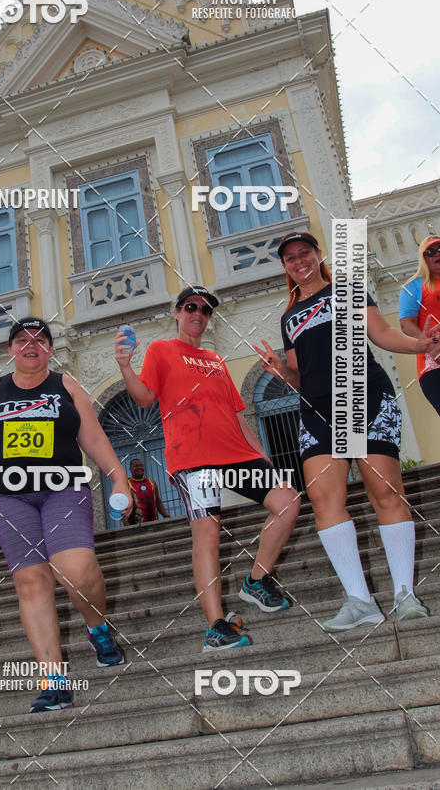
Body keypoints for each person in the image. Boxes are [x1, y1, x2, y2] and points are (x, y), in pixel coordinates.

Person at [0, 317, 131, 713]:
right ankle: (54, 681)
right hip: (8, 498)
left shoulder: (66, 386)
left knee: (75, 567)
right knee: (31, 582)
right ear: (10, 350)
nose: (31, 345)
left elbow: (92, 436)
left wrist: (119, 479)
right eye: (22, 340)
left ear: (50, 350)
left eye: (40, 339)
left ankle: (96, 627)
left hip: (63, 488)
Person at [255, 231, 439, 631]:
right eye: (290, 258)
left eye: (305, 252)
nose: (299, 260)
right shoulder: (290, 317)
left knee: (385, 493)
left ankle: (405, 593)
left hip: (362, 394)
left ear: (318, 255)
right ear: (285, 267)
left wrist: (420, 344)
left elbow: (384, 335)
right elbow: (299, 377)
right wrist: (280, 371)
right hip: (317, 408)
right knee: (324, 501)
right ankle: (359, 601)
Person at [115, 287, 300, 653]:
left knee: (289, 502)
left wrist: (265, 458)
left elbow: (236, 414)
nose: (198, 313)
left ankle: (256, 580)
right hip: (193, 458)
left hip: (237, 454)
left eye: (205, 309)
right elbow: (145, 398)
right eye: (191, 307)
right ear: (177, 311)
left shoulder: (214, 359)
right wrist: (125, 366)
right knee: (208, 536)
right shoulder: (161, 350)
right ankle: (216, 626)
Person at [399, 236, 440, 416]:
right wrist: (431, 344)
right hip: (434, 365)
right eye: (430, 251)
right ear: (422, 259)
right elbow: (406, 324)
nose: (437, 253)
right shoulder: (414, 286)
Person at [123, 457, 170, 525]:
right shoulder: (127, 484)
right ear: (130, 469)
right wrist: (125, 522)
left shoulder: (151, 482)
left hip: (154, 523)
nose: (139, 467)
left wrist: (167, 516)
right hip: (136, 525)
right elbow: (120, 506)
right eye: (136, 466)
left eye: (141, 465)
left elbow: (158, 502)